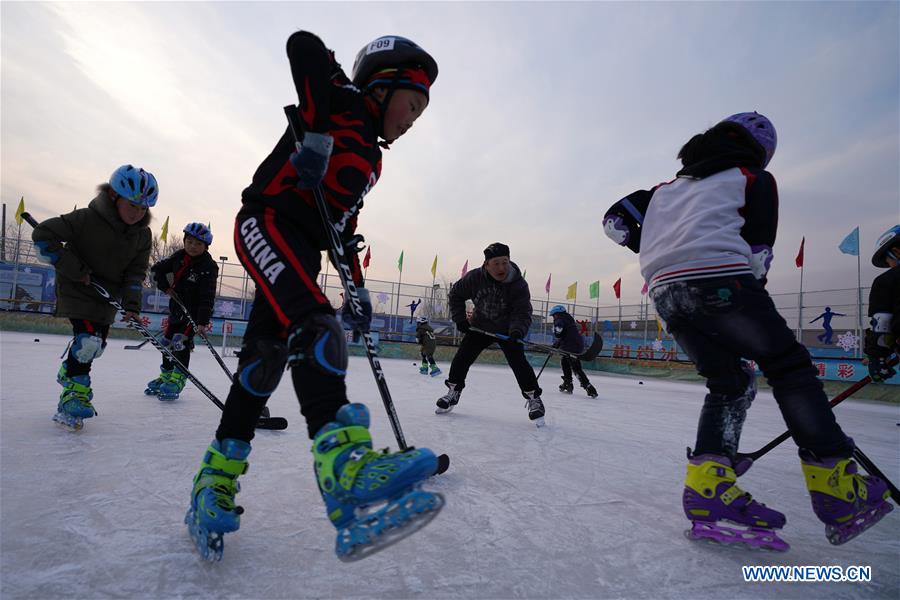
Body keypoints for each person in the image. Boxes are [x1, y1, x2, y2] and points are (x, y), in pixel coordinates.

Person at [184, 31, 442, 561]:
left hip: (301, 247)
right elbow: (302, 43)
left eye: (420, 113)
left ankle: (214, 478)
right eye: (411, 103)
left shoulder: (372, 157)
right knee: (316, 327)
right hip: (266, 220)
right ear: (379, 87)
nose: (412, 119)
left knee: (264, 362)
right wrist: (318, 132)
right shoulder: (342, 100)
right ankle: (344, 463)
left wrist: (360, 286)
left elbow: (343, 228)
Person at [603, 111, 891, 549]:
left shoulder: (663, 191)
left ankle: (709, 487)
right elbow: (758, 254)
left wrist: (653, 243)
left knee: (730, 381)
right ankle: (838, 488)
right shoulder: (753, 177)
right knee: (789, 367)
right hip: (721, 281)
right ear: (761, 152)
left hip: (665, 293)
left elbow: (613, 222)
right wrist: (746, 301)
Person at [32, 164, 156, 430]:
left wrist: (132, 305)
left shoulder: (143, 236)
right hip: (77, 287)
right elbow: (43, 235)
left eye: (143, 208)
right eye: (132, 205)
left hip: (106, 294)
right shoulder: (86, 218)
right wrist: (73, 268)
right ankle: (74, 394)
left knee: (95, 346)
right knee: (88, 342)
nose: (137, 213)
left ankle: (70, 372)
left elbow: (136, 273)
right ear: (114, 196)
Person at [436, 242, 545, 425]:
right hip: (480, 326)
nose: (502, 267)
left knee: (519, 363)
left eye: (505, 262)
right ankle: (453, 392)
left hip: (507, 330)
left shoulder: (518, 284)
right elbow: (455, 295)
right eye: (496, 263)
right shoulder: (475, 278)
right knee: (462, 358)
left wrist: (517, 330)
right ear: (486, 264)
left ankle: (534, 398)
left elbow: (523, 311)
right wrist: (460, 319)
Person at [144, 223, 218, 400]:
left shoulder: (208, 266)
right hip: (177, 309)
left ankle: (178, 378)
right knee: (166, 343)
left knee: (180, 342)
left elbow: (207, 297)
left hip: (194, 312)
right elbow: (156, 271)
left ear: (205, 247)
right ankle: (166, 376)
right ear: (184, 241)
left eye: (198, 244)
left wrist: (202, 322)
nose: (193, 246)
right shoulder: (178, 257)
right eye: (190, 242)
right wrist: (166, 287)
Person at [864, 225, 900, 383]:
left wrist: (877, 358)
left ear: (896, 252)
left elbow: (882, 323)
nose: (890, 264)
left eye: (888, 260)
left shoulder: (887, 280)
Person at [548, 305, 597, 398]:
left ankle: (589, 387)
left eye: (553, 315)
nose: (553, 318)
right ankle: (568, 383)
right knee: (565, 362)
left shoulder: (560, 319)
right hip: (575, 345)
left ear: (557, 314)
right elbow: (566, 336)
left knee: (575, 367)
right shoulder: (569, 320)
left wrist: (557, 332)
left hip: (571, 347)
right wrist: (556, 345)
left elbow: (559, 332)